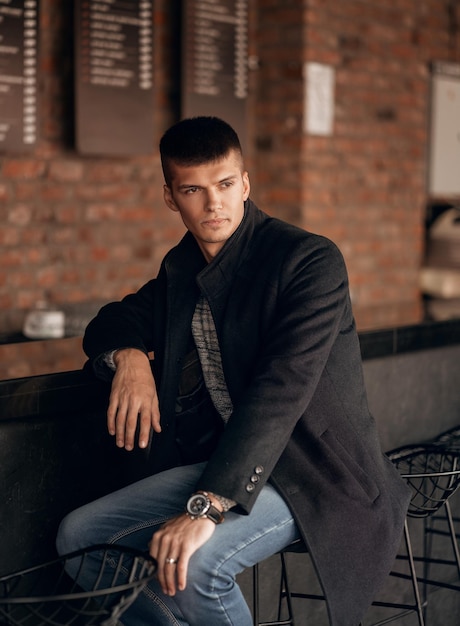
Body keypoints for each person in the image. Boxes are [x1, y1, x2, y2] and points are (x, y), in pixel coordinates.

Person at [56, 116, 411, 626]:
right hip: (227, 459)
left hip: (310, 472)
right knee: (79, 537)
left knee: (198, 564)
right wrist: (129, 360)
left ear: (245, 183)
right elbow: (114, 320)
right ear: (170, 197)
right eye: (193, 190)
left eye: (224, 185)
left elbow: (280, 390)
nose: (213, 203)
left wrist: (206, 507)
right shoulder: (182, 268)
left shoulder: (309, 260)